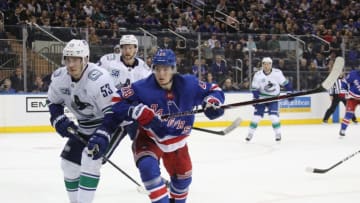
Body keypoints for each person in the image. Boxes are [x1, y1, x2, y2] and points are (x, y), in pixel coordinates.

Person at [93, 49, 225, 203]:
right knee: (148, 167)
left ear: (173, 69)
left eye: (166, 69)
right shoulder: (142, 87)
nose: (161, 74)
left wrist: (212, 102)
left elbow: (214, 90)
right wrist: (135, 111)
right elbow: (116, 100)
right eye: (158, 69)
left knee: (183, 182)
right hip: (149, 139)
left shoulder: (189, 84)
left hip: (178, 142)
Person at [46, 39, 118, 203]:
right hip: (85, 127)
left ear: (85, 59)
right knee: (68, 165)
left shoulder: (98, 79)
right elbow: (52, 101)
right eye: (68, 59)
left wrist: (103, 134)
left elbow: (113, 112)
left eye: (76, 59)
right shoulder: (59, 77)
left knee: (89, 159)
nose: (71, 64)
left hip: (111, 124)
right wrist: (57, 119)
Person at [246, 57, 293, 142]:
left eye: (268, 64)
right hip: (262, 98)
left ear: (271, 65)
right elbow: (255, 89)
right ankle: (250, 134)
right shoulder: (258, 75)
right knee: (256, 117)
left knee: (273, 117)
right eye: (264, 64)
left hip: (273, 98)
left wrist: (289, 92)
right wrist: (255, 99)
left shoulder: (277, 73)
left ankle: (278, 133)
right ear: (262, 64)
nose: (266, 66)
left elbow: (286, 83)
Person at [339, 69, 360, 136]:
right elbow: (345, 82)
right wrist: (343, 90)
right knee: (349, 114)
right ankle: (342, 130)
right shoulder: (353, 73)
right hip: (352, 98)